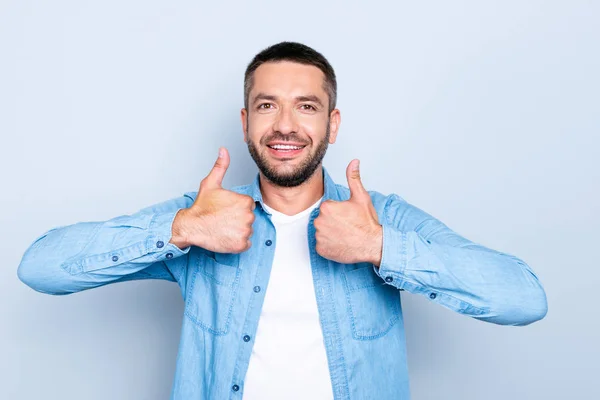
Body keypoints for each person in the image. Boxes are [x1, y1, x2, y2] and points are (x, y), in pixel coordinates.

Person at [17, 41, 548, 400]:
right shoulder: (202, 217)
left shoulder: (382, 219)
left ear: (333, 124)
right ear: (247, 122)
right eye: (268, 106)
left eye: (307, 107)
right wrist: (181, 229)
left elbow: (523, 299)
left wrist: (382, 247)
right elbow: (40, 267)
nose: (286, 126)